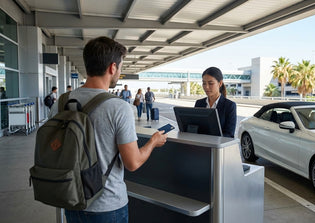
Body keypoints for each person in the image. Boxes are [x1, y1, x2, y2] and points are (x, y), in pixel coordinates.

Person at [48, 36, 167, 223]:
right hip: (107, 206)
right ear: (112, 68)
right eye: (120, 67)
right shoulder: (118, 107)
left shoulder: (61, 103)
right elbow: (133, 163)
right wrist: (153, 142)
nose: (119, 72)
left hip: (71, 200)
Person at [195, 67, 237, 138]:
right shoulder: (199, 103)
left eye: (211, 83)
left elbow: (229, 134)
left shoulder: (229, 106)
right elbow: (193, 128)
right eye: (204, 83)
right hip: (199, 146)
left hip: (217, 147)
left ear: (220, 83)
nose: (206, 87)